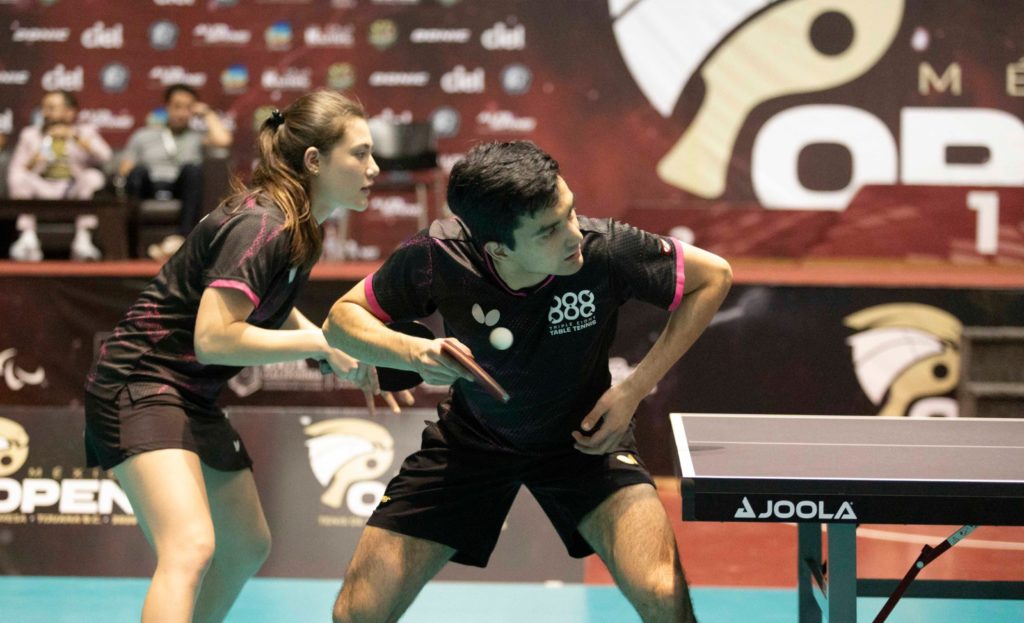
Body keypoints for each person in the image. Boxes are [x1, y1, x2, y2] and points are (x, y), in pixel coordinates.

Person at [323, 141, 733, 622]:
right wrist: (414, 352)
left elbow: (714, 277)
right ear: (498, 248)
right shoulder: (438, 257)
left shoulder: (605, 249)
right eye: (549, 230)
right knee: (358, 613)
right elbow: (341, 319)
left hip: (584, 443)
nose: (574, 234)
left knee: (662, 592)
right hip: (472, 442)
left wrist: (634, 389)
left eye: (570, 212)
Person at [84, 90, 399, 623]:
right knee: (190, 548)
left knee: (245, 543)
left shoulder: (299, 224)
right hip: (139, 382)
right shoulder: (263, 224)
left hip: (189, 393)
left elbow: (270, 306)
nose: (374, 168)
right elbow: (215, 337)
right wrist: (322, 343)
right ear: (315, 160)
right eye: (360, 153)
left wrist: (335, 350)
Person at [119, 84, 233, 258]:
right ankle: (132, 244)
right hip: (149, 185)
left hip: (180, 187)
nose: (181, 113)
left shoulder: (197, 137)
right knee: (137, 173)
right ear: (167, 107)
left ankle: (182, 238)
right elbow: (125, 168)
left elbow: (223, 140)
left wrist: (206, 113)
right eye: (177, 107)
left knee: (192, 170)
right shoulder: (143, 135)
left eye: (188, 108)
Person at [7, 90, 113, 260]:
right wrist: (35, 158)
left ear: (70, 111)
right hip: (42, 186)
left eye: (51, 108)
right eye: (44, 108)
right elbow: (16, 170)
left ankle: (83, 239)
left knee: (93, 177)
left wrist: (76, 137)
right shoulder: (30, 134)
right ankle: (28, 238)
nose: (46, 113)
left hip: (73, 188)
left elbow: (106, 156)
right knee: (19, 178)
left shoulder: (85, 132)